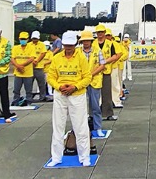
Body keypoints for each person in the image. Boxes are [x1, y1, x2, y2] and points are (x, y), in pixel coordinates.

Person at [46, 31, 93, 167]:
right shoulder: (57, 58)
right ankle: (56, 156)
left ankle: (84, 156)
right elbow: (51, 76)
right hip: (61, 94)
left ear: (75, 44)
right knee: (58, 126)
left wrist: (75, 87)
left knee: (80, 126)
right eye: (66, 45)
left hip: (77, 95)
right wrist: (60, 87)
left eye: (71, 45)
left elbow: (87, 77)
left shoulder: (81, 57)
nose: (68, 48)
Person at [79, 30, 106, 137]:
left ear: (91, 41)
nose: (86, 43)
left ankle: (98, 127)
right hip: (81, 82)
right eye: (84, 41)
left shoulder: (97, 50)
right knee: (81, 106)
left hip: (94, 80)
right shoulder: (78, 52)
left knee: (95, 106)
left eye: (88, 41)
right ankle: (82, 128)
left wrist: (90, 75)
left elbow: (102, 65)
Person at [95, 24, 120, 120]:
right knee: (94, 94)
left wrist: (105, 61)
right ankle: (93, 115)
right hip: (95, 71)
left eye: (102, 32)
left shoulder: (110, 44)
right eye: (98, 32)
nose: (100, 34)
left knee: (106, 93)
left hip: (106, 70)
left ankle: (108, 113)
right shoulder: (93, 43)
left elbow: (115, 55)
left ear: (105, 33)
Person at [11, 31, 37, 106]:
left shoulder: (31, 48)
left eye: (24, 39)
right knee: (16, 89)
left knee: (28, 89)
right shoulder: (15, 48)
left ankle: (29, 101)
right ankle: (16, 101)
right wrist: (17, 66)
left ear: (28, 39)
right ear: (19, 39)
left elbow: (31, 58)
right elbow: (12, 58)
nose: (23, 40)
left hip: (28, 72)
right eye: (21, 39)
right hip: (18, 72)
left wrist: (21, 65)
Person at [108, 30, 126, 108]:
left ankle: (116, 101)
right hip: (102, 68)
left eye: (108, 35)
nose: (107, 37)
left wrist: (118, 59)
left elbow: (122, 54)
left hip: (114, 66)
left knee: (115, 84)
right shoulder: (97, 44)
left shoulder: (115, 44)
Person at [30, 31, 48, 102]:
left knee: (41, 83)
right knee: (29, 83)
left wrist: (36, 60)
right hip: (30, 67)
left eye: (36, 38)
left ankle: (42, 96)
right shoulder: (29, 45)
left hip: (39, 67)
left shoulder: (42, 45)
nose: (34, 40)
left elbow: (43, 53)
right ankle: (29, 97)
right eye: (33, 38)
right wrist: (32, 61)